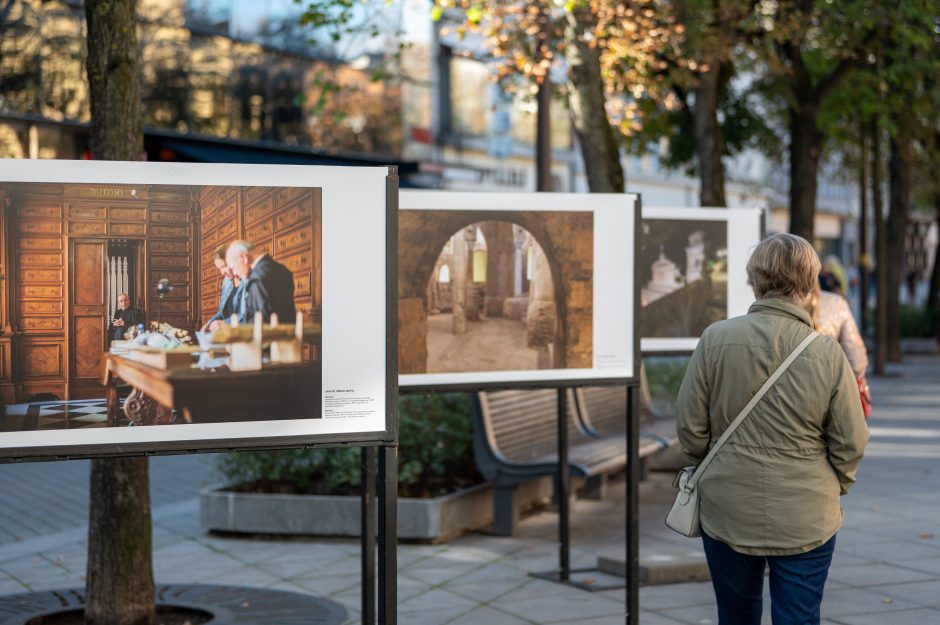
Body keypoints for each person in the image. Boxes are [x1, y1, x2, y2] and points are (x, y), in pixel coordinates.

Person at [676, 233, 869, 625]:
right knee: (798, 617)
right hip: (807, 511)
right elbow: (851, 440)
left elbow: (690, 429)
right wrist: (835, 485)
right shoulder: (827, 352)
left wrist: (713, 465)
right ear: (809, 281)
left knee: (735, 616)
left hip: (727, 506)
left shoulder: (716, 340)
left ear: (755, 280)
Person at [225, 240, 295, 324]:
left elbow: (261, 323)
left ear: (243, 258)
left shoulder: (257, 278)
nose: (235, 273)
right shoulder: (281, 269)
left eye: (233, 267)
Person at [201, 243, 246, 333]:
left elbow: (246, 318)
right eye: (219, 268)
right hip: (226, 335)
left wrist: (224, 323)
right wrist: (209, 323)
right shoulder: (227, 281)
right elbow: (221, 313)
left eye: (224, 266)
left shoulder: (246, 281)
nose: (222, 273)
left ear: (232, 260)